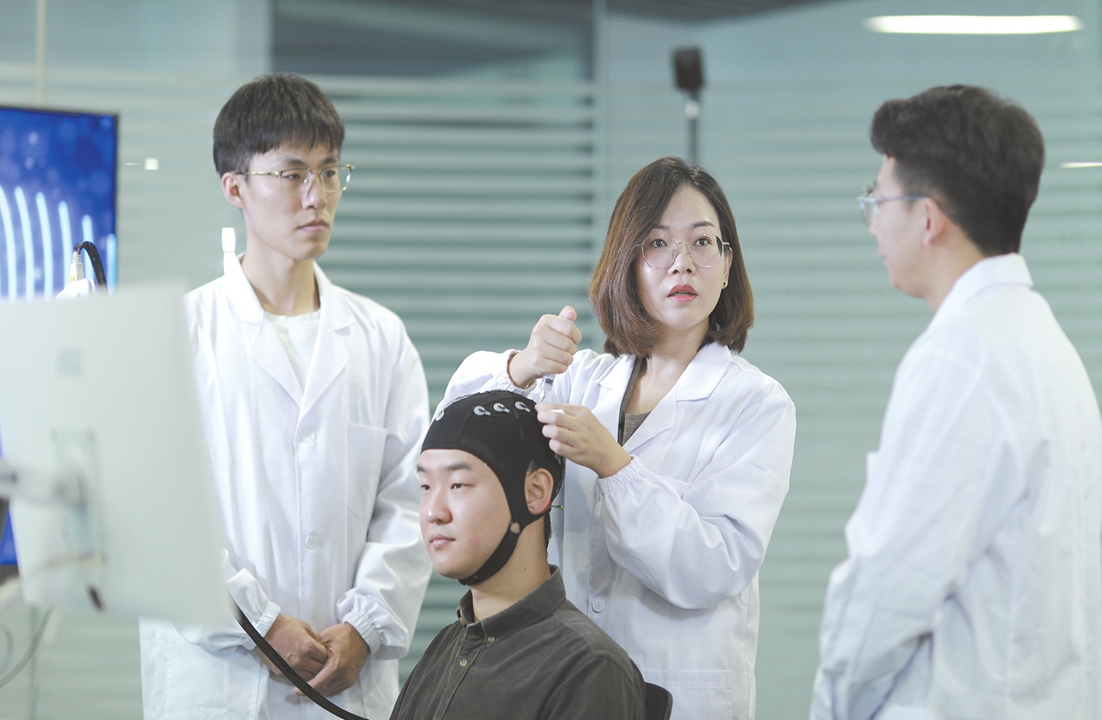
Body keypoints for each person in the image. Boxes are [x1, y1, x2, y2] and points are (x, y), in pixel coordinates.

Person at [442, 156, 796, 720]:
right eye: (657, 244)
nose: (683, 262)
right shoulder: (580, 380)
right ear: (626, 264)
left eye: (704, 243)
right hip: (563, 683)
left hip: (682, 693)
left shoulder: (755, 403)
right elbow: (454, 438)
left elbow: (717, 565)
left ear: (728, 266)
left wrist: (616, 467)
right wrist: (523, 366)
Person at [139, 73, 432, 719]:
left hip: (346, 681)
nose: (316, 196)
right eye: (292, 173)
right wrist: (261, 623)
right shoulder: (176, 336)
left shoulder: (380, 338)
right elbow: (158, 513)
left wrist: (365, 627)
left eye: (330, 173)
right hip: (218, 685)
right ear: (235, 187)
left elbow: (411, 501)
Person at [810, 85, 1102, 720]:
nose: (873, 222)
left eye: (878, 201)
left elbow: (887, 588)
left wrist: (832, 706)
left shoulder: (962, 358)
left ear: (927, 217)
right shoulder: (1041, 342)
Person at [391, 390, 647, 719]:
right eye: (426, 486)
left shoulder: (587, 667)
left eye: (458, 485)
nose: (432, 513)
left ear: (535, 492)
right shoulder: (448, 644)